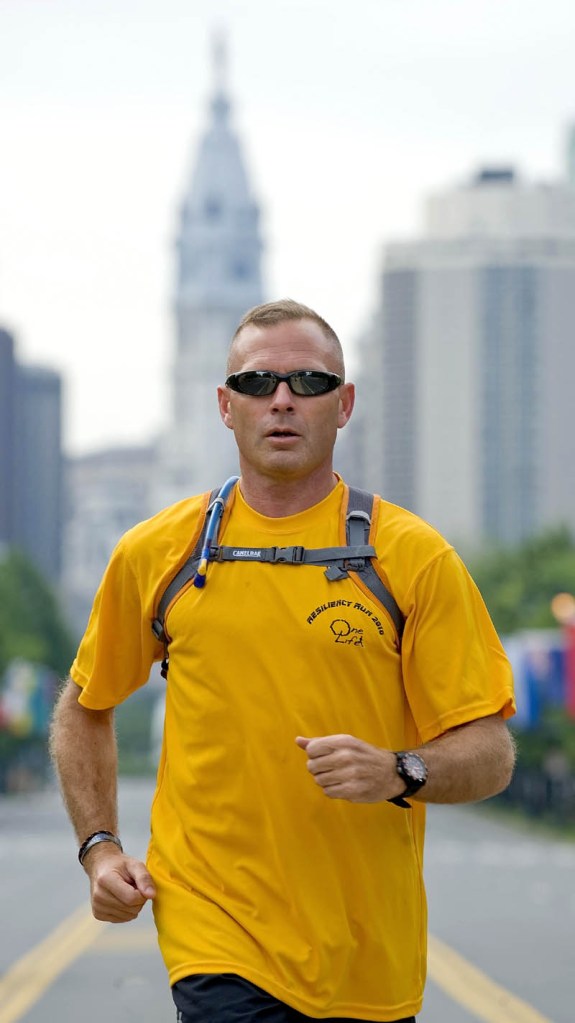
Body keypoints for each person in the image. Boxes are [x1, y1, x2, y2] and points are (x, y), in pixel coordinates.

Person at [50, 298, 516, 1023]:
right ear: (224, 405)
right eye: (257, 382)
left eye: (310, 382)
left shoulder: (413, 558)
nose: (282, 401)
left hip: (368, 954)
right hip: (214, 929)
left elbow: (490, 750)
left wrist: (399, 769)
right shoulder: (159, 553)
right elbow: (85, 707)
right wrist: (101, 849)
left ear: (345, 404)